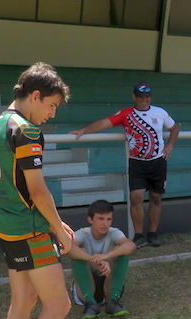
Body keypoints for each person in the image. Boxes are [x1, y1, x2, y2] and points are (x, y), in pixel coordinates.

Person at [0, 62, 76, 319]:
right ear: (34, 96)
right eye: (50, 105)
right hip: (30, 229)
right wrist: (58, 229)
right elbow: (37, 191)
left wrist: (56, 223)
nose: (51, 114)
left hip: (7, 226)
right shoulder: (26, 131)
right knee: (59, 303)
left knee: (22, 303)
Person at [70, 83, 180, 248]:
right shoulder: (126, 114)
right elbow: (105, 123)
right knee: (136, 198)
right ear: (134, 97)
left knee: (156, 198)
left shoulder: (160, 112)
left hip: (158, 162)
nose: (144, 100)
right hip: (137, 163)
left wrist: (170, 145)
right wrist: (84, 130)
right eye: (141, 97)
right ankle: (138, 235)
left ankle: (153, 234)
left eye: (147, 97)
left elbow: (175, 128)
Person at [68, 199, 136, 319]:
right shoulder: (83, 233)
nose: (105, 224)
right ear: (90, 219)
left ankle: (113, 302)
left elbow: (130, 246)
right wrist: (94, 260)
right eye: (100, 219)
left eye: (108, 219)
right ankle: (90, 304)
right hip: (86, 286)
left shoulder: (114, 232)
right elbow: (69, 248)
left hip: (108, 282)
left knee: (121, 251)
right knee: (79, 253)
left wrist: (106, 256)